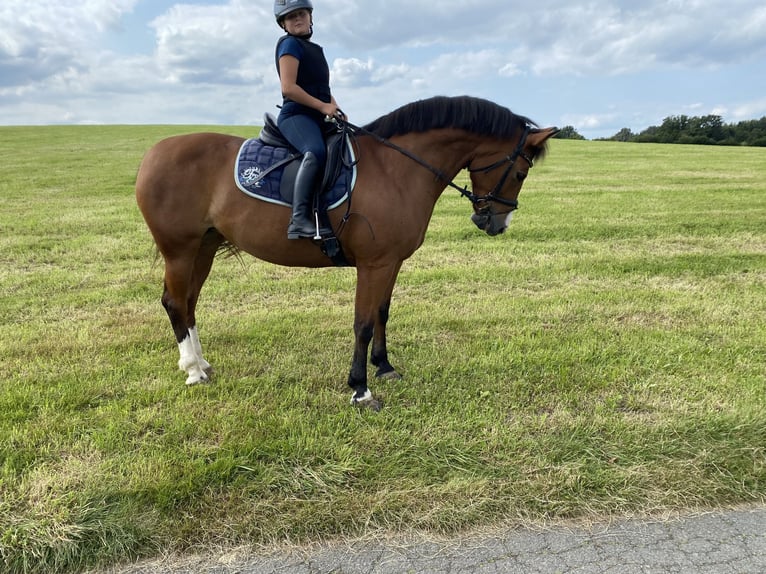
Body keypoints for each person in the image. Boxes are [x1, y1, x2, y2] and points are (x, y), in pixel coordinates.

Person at [274, 0, 345, 239]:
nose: (297, 19)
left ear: (310, 17)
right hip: (296, 115)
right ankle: (299, 219)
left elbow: (322, 89)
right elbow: (288, 88)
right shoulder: (289, 44)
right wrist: (323, 106)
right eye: (290, 16)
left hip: (317, 116)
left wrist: (335, 107)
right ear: (283, 24)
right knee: (315, 152)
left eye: (301, 14)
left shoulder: (316, 50)